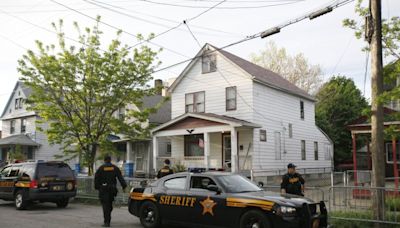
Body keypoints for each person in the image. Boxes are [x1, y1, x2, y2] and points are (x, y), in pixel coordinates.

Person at [95, 155, 127, 227]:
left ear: (104, 160)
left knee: (105, 206)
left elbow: (96, 178)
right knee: (109, 205)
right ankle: (108, 213)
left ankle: (107, 222)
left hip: (103, 190)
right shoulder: (115, 168)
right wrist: (124, 186)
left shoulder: (101, 168)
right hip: (112, 190)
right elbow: (120, 177)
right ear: (110, 160)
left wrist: (97, 187)